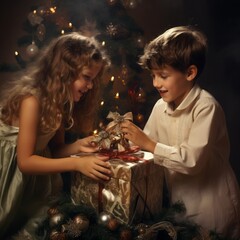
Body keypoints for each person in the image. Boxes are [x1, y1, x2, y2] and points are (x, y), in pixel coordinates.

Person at [121, 26, 240, 238]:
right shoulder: (160, 107)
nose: (156, 83)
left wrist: (148, 143)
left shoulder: (206, 107)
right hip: (177, 204)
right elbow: (146, 148)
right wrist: (123, 142)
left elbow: (191, 161)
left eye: (163, 75)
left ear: (190, 73)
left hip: (211, 205)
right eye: (153, 75)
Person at [0, 32, 112, 238]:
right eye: (86, 77)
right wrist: (77, 163)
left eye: (92, 80)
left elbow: (54, 150)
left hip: (32, 179)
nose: (89, 86)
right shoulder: (31, 101)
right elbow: (25, 161)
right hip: (8, 171)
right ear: (65, 72)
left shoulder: (58, 102)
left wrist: (78, 146)